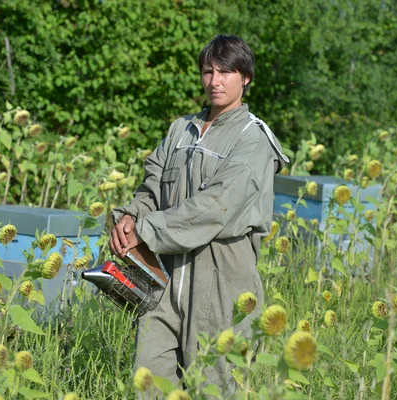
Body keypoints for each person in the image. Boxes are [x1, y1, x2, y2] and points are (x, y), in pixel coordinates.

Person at [109, 34, 288, 393]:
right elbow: (152, 186)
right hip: (163, 279)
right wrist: (130, 217)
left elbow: (215, 208)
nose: (215, 81)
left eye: (226, 71)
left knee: (214, 387)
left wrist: (147, 228)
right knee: (148, 381)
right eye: (208, 71)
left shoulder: (253, 140)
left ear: (246, 78)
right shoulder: (180, 130)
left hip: (220, 282)